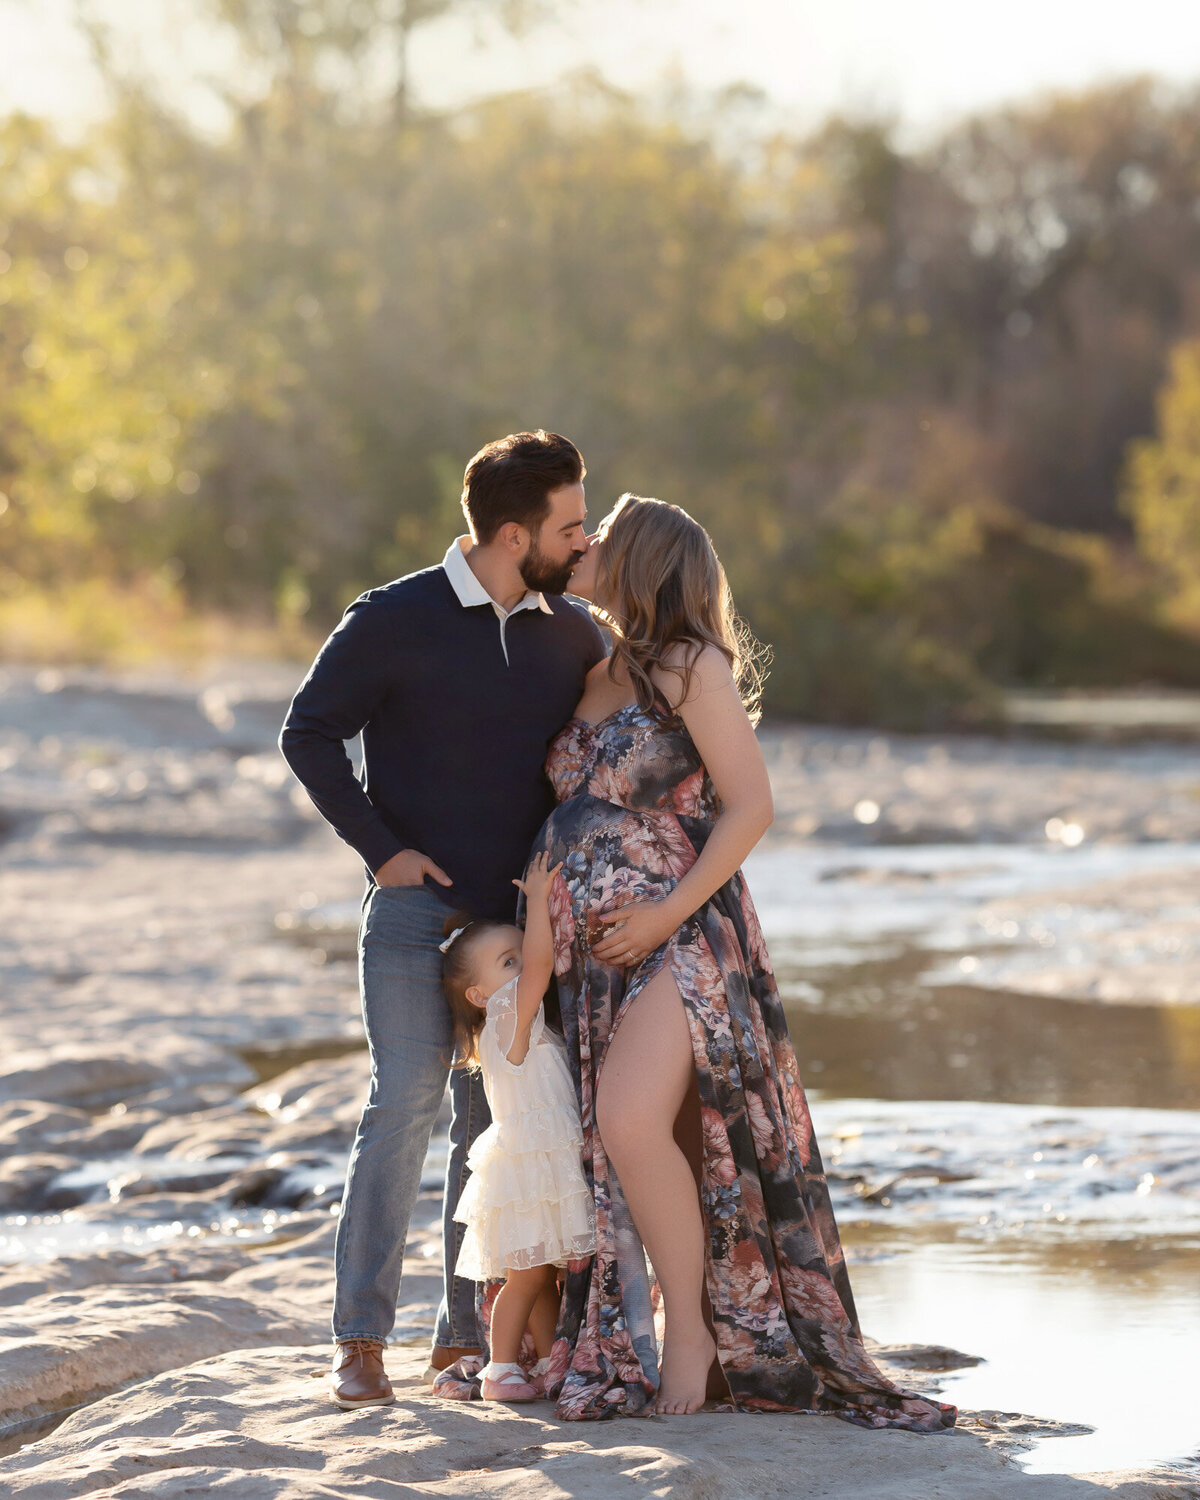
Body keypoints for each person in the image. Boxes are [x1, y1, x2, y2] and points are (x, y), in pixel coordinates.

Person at [524, 493, 957, 1429]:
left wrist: (661, 916)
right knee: (657, 1137)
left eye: (604, 537)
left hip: (684, 935)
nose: (585, 545)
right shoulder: (595, 670)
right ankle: (677, 1329)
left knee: (630, 1120)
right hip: (595, 963)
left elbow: (750, 805)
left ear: (641, 561)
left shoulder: (690, 664)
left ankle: (692, 1335)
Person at [278, 431, 606, 1410]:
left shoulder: (574, 632)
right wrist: (381, 849)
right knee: (407, 1102)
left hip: (518, 924)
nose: (583, 545)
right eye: (570, 527)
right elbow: (308, 732)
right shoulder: (393, 618)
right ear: (513, 534)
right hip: (417, 913)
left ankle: (465, 1344)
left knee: (492, 1122)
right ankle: (360, 1339)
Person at [438, 853, 595, 1403]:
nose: (520, 968)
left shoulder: (512, 1022)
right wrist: (537, 900)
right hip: (532, 1168)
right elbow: (542, 964)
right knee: (526, 1277)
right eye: (508, 962)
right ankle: (500, 1368)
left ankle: (552, 1361)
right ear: (478, 996)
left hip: (538, 1165)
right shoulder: (507, 1016)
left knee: (544, 1275)